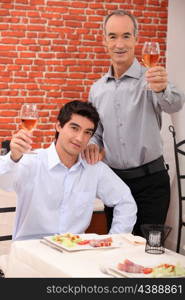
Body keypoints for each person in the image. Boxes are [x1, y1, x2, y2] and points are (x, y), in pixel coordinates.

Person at [82, 10, 185, 236]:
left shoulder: (152, 79)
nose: (120, 44)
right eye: (113, 36)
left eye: (126, 36)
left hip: (152, 183)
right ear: (104, 41)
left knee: (150, 250)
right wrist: (91, 143)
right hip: (114, 183)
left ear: (136, 40)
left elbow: (175, 104)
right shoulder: (97, 89)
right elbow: (96, 132)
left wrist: (162, 88)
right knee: (118, 248)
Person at [0, 100, 137, 241]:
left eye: (87, 132)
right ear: (59, 126)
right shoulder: (32, 161)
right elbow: (3, 182)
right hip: (31, 252)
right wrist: (13, 157)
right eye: (74, 128)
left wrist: (112, 241)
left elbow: (125, 201)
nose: (80, 138)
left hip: (73, 252)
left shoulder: (94, 168)